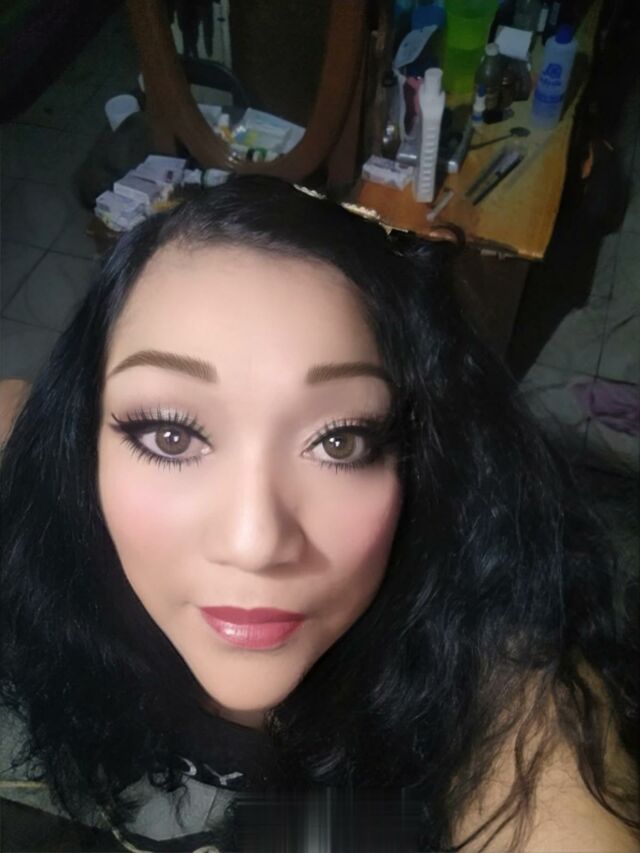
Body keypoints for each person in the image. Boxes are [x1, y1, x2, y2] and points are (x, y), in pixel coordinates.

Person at [0, 176, 638, 852]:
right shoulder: (44, 507)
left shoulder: (497, 682)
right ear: (80, 438)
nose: (255, 542)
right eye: (170, 434)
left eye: (341, 441)